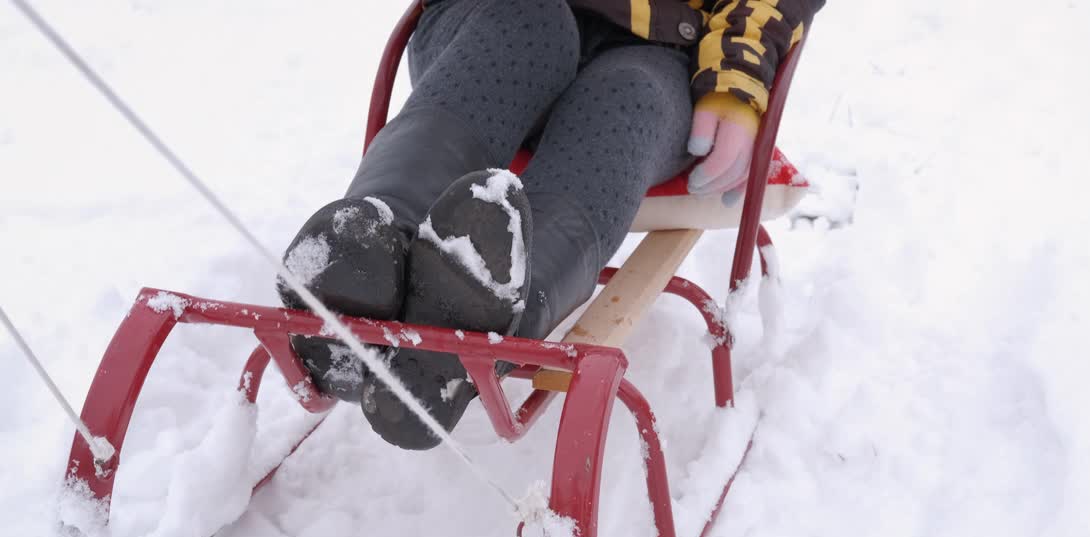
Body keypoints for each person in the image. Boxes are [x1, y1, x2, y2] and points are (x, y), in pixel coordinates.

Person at [277, 0, 824, 450]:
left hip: (663, 52)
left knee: (627, 98)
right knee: (523, 30)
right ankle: (367, 247)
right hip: (500, 18)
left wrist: (738, 75)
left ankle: (501, 304)